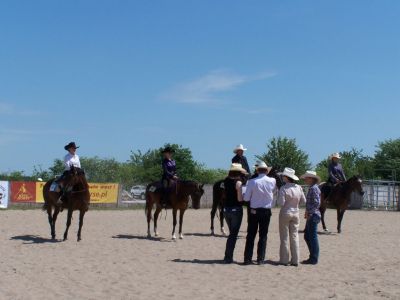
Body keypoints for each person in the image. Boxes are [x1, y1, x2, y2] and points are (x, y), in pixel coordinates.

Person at [243, 161, 276, 265]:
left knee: (251, 235)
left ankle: (247, 258)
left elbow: (247, 198)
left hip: (254, 211)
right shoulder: (272, 181)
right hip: (266, 211)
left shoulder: (252, 181)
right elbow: (274, 193)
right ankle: (260, 259)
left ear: (257, 170)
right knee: (263, 235)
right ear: (266, 171)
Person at [278, 168, 306, 267]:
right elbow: (303, 201)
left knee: (284, 237)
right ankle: (295, 260)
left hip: (285, 212)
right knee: (294, 236)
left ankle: (284, 260)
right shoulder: (299, 187)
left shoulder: (284, 188)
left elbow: (281, 203)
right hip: (296, 213)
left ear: (286, 177)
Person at [222, 163, 247, 264]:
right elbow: (239, 199)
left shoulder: (225, 181)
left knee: (231, 234)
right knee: (233, 235)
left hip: (226, 210)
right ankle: (228, 257)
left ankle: (228, 256)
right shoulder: (238, 183)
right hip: (236, 210)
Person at [300, 170, 321, 265]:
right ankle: (313, 256)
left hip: (313, 215)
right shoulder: (313, 188)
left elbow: (317, 202)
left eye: (306, 178)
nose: (305, 179)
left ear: (311, 179)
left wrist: (310, 212)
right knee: (308, 236)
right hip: (312, 214)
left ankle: (314, 257)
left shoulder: (314, 188)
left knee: (311, 237)